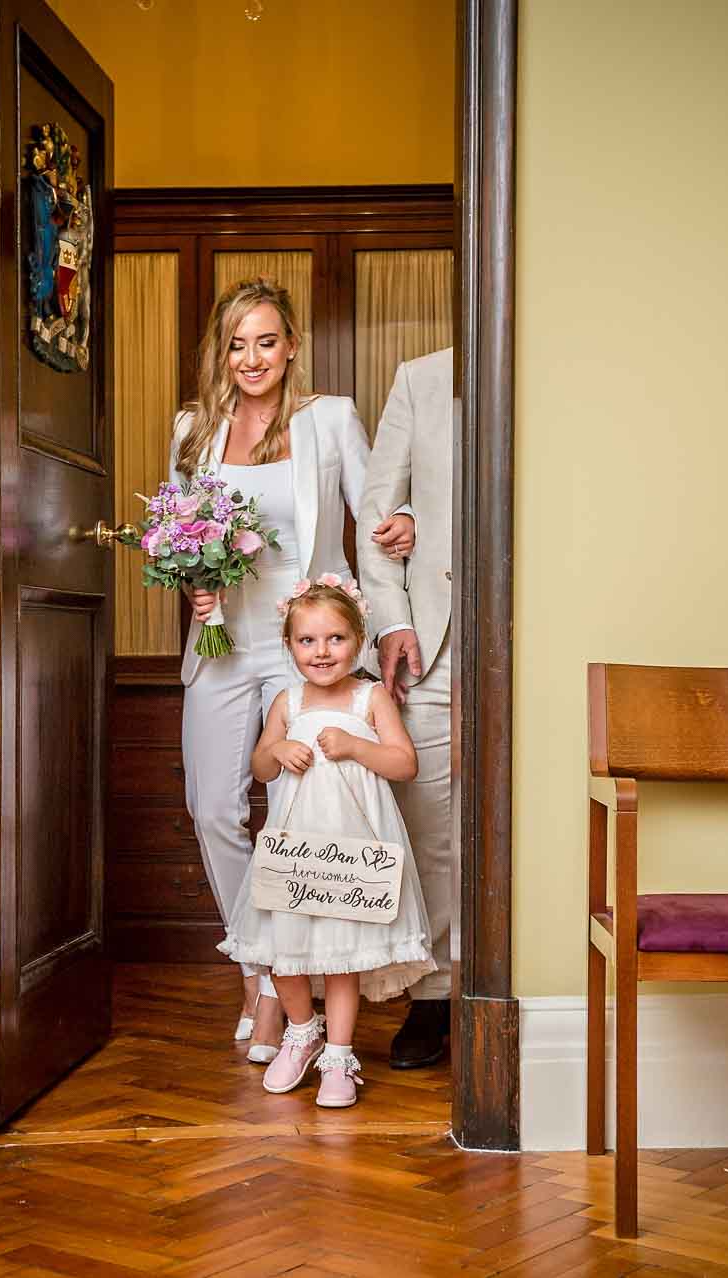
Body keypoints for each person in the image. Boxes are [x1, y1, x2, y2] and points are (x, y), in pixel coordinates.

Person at [170, 279, 413, 1060]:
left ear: (291, 346)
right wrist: (193, 581)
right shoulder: (191, 431)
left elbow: (376, 514)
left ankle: (278, 992)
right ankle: (260, 957)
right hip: (220, 644)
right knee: (213, 809)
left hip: (308, 653)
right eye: (237, 344)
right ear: (221, 351)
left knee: (292, 817)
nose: (252, 358)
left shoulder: (329, 419)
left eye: (266, 341)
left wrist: (407, 523)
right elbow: (179, 536)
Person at [219, 579, 436, 1108]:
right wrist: (282, 749)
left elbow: (405, 764)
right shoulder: (287, 701)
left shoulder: (370, 697)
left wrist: (357, 746)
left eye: (336, 639)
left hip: (350, 854)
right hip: (295, 852)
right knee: (282, 954)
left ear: (358, 640)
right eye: (307, 641)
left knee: (342, 958)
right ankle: (301, 1030)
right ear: (290, 645)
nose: (322, 652)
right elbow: (260, 764)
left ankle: (339, 1053)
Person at [355, 346, 456, 1069]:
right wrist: (391, 620)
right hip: (434, 639)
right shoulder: (423, 378)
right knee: (429, 822)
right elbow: (377, 512)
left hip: (547, 626)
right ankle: (439, 995)